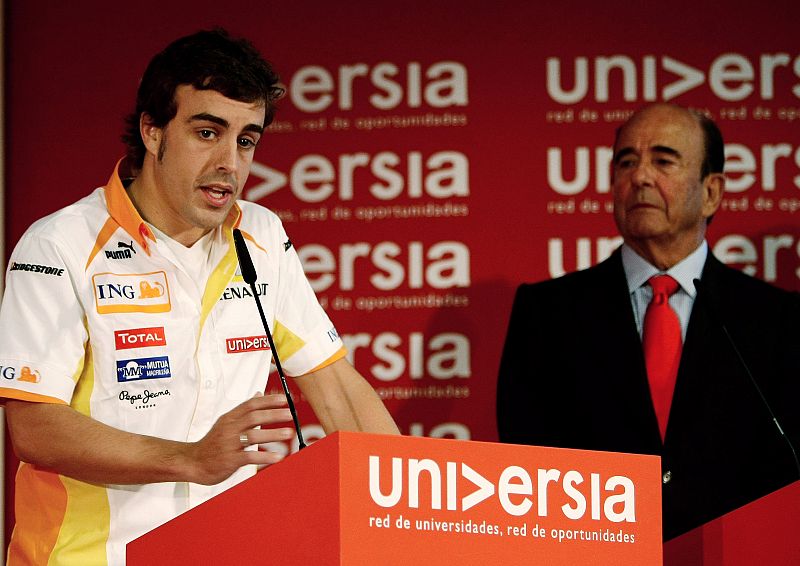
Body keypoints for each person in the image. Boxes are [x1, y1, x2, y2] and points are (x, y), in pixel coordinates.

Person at [0, 29, 399, 565]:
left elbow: (336, 388)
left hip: (226, 551)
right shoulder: (59, 244)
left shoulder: (260, 235)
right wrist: (191, 459)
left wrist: (409, 507)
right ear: (153, 131)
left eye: (246, 140)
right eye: (207, 132)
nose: (229, 163)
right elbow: (34, 428)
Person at [496, 103, 800, 540]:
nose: (639, 176)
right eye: (626, 162)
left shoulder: (777, 321)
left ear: (711, 192)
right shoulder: (546, 314)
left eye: (663, 160)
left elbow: (784, 470)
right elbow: (528, 468)